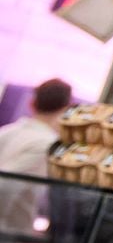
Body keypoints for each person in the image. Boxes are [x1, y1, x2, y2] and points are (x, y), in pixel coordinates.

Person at [0, 79, 71, 233]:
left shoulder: (6, 131)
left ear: (32, 103)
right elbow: (4, 188)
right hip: (10, 238)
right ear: (66, 110)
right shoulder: (48, 145)